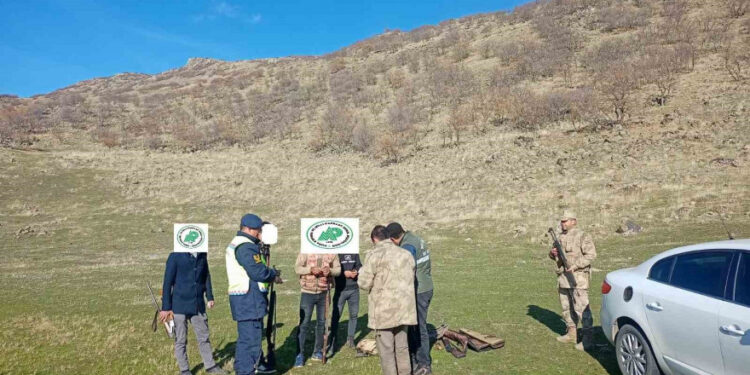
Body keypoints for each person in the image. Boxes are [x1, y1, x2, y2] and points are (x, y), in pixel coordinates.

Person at [225, 214, 282, 375]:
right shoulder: (246, 247)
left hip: (245, 299)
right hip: (248, 299)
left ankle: (243, 368)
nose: (259, 234)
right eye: (257, 231)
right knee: (251, 340)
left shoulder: (240, 243)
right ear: (249, 229)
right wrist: (272, 274)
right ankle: (247, 370)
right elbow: (257, 272)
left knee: (245, 339)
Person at [359, 225, 417, 375]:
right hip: (404, 308)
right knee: (402, 347)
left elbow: (364, 283)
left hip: (384, 310)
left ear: (374, 239)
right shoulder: (405, 254)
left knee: (386, 350)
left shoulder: (374, 255)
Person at [160, 249, 226, 375]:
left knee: (204, 337)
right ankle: (184, 370)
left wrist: (210, 296)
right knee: (181, 340)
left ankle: (210, 366)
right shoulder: (175, 256)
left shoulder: (202, 255)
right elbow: (167, 282)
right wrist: (166, 308)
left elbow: (206, 276)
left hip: (198, 304)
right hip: (178, 305)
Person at [386, 222, 433, 375]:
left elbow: (406, 270)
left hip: (419, 290)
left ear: (393, 239)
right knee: (416, 325)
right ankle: (416, 357)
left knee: (419, 327)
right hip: (426, 285)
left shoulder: (407, 246)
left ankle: (424, 364)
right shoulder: (415, 238)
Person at [548, 211, 597, 351]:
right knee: (566, 307)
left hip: (578, 278)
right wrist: (552, 254)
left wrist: (575, 265)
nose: (563, 223)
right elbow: (553, 255)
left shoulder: (583, 236)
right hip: (563, 278)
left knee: (581, 307)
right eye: (562, 221)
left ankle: (588, 338)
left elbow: (591, 255)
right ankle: (571, 333)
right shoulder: (559, 237)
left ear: (574, 221)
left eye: (566, 221)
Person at [293, 250, 341, 367]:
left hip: (324, 292)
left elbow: (338, 270)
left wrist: (330, 271)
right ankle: (299, 354)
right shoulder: (306, 250)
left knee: (322, 323)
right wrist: (310, 269)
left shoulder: (332, 251)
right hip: (307, 292)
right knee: (304, 324)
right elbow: (297, 268)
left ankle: (317, 351)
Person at [327, 252, 362, 356]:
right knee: (336, 316)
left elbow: (359, 265)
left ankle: (350, 339)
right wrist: (344, 273)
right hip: (340, 290)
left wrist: (356, 271)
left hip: (354, 289)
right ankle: (333, 341)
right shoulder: (337, 254)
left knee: (354, 315)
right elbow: (333, 269)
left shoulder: (355, 253)